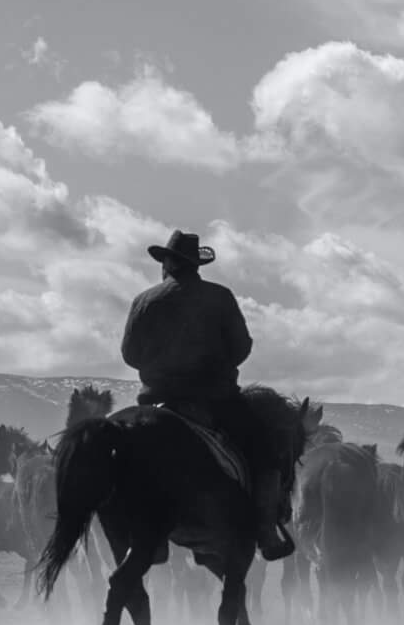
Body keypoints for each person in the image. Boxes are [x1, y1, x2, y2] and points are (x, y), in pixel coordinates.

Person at [121, 229, 294, 561]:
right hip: (213, 399)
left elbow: (129, 354)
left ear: (169, 264)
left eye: (163, 262)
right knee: (263, 450)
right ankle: (266, 531)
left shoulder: (144, 301)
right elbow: (241, 347)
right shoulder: (219, 297)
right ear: (195, 265)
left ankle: (143, 534)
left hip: (155, 399)